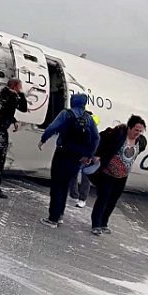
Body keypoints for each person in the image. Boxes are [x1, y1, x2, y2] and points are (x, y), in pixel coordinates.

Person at [38, 93, 99, 228]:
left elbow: (52, 127)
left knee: (56, 185)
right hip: (77, 157)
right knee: (65, 185)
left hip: (63, 153)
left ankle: (52, 218)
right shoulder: (89, 118)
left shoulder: (66, 114)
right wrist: (88, 155)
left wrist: (43, 139)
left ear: (73, 101)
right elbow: (96, 138)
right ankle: (60, 216)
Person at [88, 115, 147, 235]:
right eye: (136, 130)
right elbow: (101, 138)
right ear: (129, 127)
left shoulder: (141, 141)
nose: (138, 133)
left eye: (141, 131)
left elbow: (137, 152)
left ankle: (104, 222)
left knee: (113, 200)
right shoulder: (119, 134)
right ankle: (96, 224)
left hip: (122, 176)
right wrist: (98, 154)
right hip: (108, 173)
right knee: (103, 197)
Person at [68, 112, 99, 208]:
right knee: (73, 174)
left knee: (85, 178)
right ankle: (75, 195)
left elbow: (95, 144)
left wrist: (90, 157)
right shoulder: (79, 128)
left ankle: (82, 199)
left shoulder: (93, 132)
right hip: (78, 155)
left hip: (88, 157)